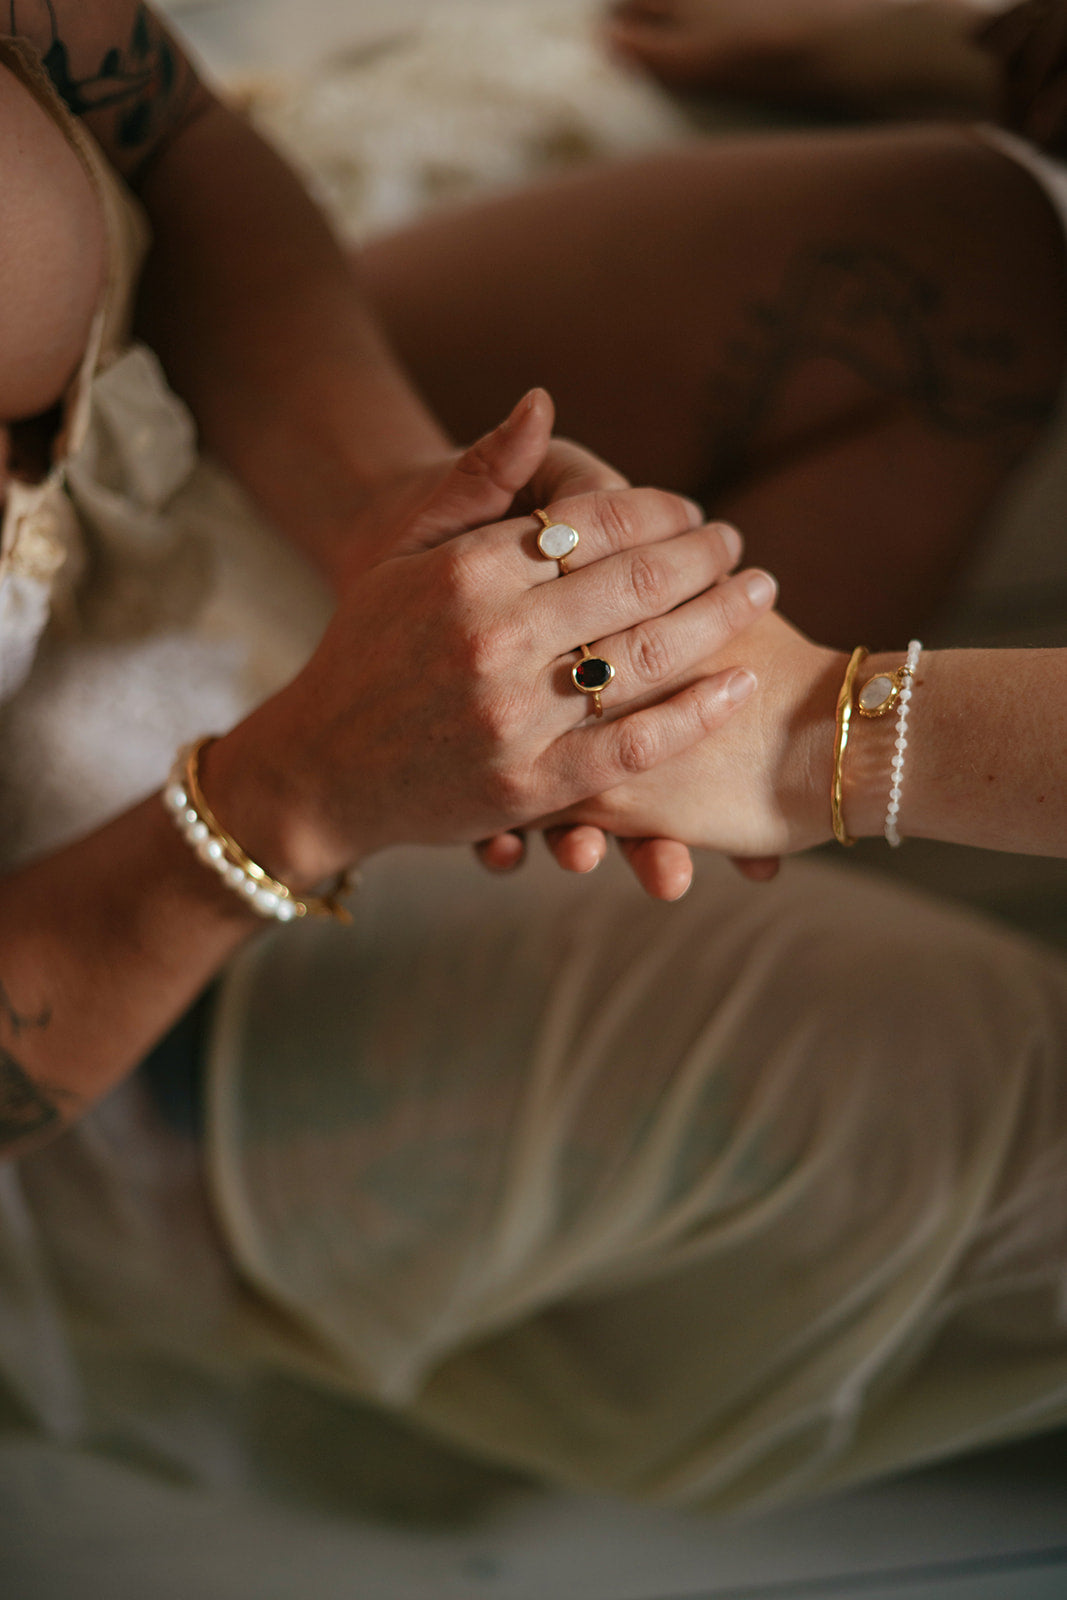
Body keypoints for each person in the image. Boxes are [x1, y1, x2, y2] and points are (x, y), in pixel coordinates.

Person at [0, 0, 1065, 1541]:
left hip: (151, 466)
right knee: (994, 1096)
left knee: (964, 270)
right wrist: (296, 794)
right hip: (84, 931)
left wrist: (383, 509)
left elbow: (162, 126)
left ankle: (596, 784)